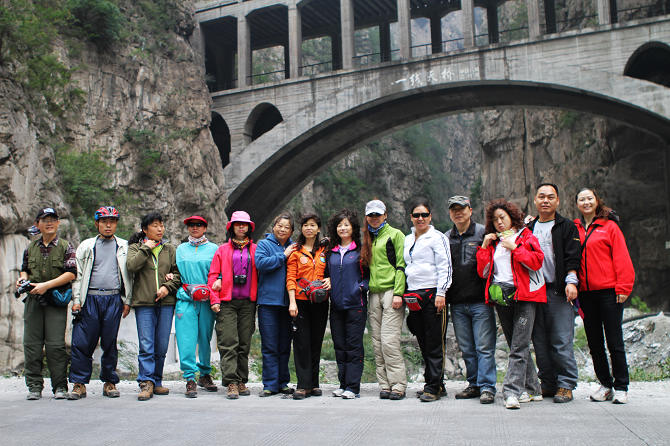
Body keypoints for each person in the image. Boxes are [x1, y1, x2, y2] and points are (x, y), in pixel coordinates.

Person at [476, 199, 546, 410]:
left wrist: (515, 248)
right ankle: (533, 389)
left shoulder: (526, 236)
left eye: (502, 218)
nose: (499, 222)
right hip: (502, 297)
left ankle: (511, 391)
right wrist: (484, 246)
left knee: (519, 345)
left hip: (524, 297)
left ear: (511, 217)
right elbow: (483, 272)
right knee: (516, 344)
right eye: (495, 220)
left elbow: (536, 261)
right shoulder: (494, 242)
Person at [574, 188, 635, 404]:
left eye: (589, 198)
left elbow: (621, 257)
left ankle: (621, 386)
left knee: (614, 341)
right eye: (582, 199)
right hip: (586, 294)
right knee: (595, 343)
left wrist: (623, 287)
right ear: (577, 204)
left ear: (597, 201)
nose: (586, 202)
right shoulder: (575, 229)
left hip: (609, 292)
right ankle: (605, 384)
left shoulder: (609, 227)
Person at [68, 206, 132, 400]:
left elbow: (130, 275)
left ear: (116, 224)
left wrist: (127, 300)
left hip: (113, 298)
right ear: (97, 223)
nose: (108, 225)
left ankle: (109, 381)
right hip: (90, 299)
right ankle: (79, 383)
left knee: (109, 342)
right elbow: (77, 275)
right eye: (104, 221)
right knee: (82, 342)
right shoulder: (87, 246)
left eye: (112, 221)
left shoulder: (123, 246)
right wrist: (77, 300)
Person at [528, 184, 581, 403]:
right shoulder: (529, 228)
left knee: (561, 339)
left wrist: (571, 282)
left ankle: (566, 384)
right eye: (541, 197)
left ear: (557, 201)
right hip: (535, 292)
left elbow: (573, 256)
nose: (546, 201)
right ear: (535, 200)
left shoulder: (566, 226)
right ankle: (548, 383)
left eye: (550, 197)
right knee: (539, 341)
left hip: (558, 290)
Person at [17, 207, 76, 400]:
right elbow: (25, 269)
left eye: (52, 219)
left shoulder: (66, 247)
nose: (49, 223)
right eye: (44, 220)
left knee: (55, 345)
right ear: (37, 224)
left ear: (58, 223)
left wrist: (46, 286)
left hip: (55, 300)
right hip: (33, 300)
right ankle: (34, 386)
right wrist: (22, 279)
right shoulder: (31, 248)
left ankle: (59, 386)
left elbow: (71, 273)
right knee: (31, 344)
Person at [445, 196, 497, 405]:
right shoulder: (446, 238)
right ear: (450, 213)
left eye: (462, 209)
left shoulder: (483, 233)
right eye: (454, 210)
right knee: (466, 348)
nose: (458, 213)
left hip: (480, 301)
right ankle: (474, 384)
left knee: (484, 346)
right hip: (457, 302)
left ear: (470, 210)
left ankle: (487, 387)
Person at [126, 212, 181, 401]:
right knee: (146, 344)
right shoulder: (135, 248)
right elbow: (131, 267)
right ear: (145, 229)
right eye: (155, 225)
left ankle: (157, 380)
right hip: (144, 303)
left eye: (161, 225)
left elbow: (178, 274)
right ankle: (146, 381)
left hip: (166, 303)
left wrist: (167, 287)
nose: (160, 229)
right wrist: (146, 249)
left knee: (162, 344)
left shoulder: (169, 249)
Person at [403, 199, 452, 402]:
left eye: (424, 215)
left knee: (434, 342)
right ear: (411, 217)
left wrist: (441, 293)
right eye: (416, 215)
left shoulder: (438, 238)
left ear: (430, 216)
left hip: (433, 294)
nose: (420, 218)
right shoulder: (408, 239)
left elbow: (445, 266)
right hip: (414, 296)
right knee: (422, 340)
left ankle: (432, 387)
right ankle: (437, 383)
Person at [209, 211, 258, 399]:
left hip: (248, 302)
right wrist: (214, 299)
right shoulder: (222, 250)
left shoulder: (255, 249)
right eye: (237, 224)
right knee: (229, 342)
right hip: (227, 302)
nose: (241, 227)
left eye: (244, 224)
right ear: (232, 227)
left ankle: (241, 380)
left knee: (244, 343)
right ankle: (231, 382)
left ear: (249, 227)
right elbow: (213, 276)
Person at [361, 199, 407, 400]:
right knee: (377, 342)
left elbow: (401, 264)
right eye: (371, 215)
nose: (374, 218)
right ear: (366, 217)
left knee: (389, 341)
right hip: (374, 293)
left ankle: (398, 384)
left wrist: (398, 293)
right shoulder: (367, 238)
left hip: (390, 292)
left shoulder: (395, 235)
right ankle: (384, 385)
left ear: (385, 215)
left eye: (378, 215)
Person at [324, 209, 369, 399]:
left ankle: (353, 387)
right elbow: (326, 274)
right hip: (336, 305)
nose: (343, 228)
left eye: (346, 225)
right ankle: (343, 384)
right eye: (339, 225)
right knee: (339, 346)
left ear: (353, 228)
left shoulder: (360, 250)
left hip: (356, 305)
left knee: (354, 346)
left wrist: (360, 287)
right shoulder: (331, 252)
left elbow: (369, 275)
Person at [175, 215, 218, 398]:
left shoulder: (214, 249)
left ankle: (205, 374)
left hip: (206, 300)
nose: (195, 228)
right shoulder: (181, 249)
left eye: (199, 225)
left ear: (205, 228)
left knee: (205, 338)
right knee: (186, 339)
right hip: (186, 299)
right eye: (191, 225)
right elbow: (174, 271)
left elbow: (219, 273)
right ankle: (189, 377)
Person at [286, 213, 329, 400]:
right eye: (305, 225)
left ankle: (314, 384)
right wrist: (292, 301)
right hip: (301, 302)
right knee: (302, 343)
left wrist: (329, 279)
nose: (309, 228)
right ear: (301, 229)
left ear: (318, 229)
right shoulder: (295, 252)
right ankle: (303, 385)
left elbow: (331, 272)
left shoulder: (325, 251)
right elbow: (290, 278)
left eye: (312, 225)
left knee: (316, 341)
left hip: (320, 302)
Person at [255, 212, 297, 397]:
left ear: (291, 231)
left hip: (288, 304)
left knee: (284, 345)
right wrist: (283, 256)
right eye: (279, 226)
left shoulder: (294, 247)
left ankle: (283, 383)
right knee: (270, 345)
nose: (282, 230)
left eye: (287, 227)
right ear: (273, 227)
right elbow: (261, 264)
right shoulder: (264, 245)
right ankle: (270, 384)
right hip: (268, 303)